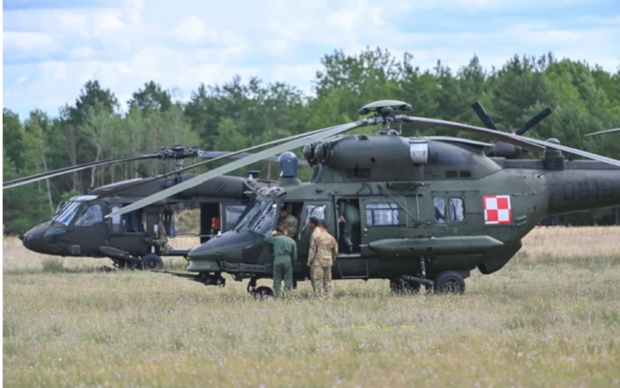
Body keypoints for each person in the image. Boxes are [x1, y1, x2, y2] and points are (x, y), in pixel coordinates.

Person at [307, 221, 339, 299]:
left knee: (318, 280)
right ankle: (329, 296)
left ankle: (320, 297)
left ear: (321, 227)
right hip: (328, 262)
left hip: (318, 262)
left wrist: (309, 261)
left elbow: (313, 250)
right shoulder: (331, 238)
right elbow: (335, 251)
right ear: (328, 228)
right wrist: (332, 259)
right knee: (327, 280)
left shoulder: (318, 237)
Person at [264, 226, 297, 298]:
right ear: (292, 235)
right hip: (287, 260)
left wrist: (272, 233)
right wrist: (293, 265)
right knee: (288, 279)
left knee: (277, 279)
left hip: (278, 260)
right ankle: (287, 295)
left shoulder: (277, 239)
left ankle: (277, 295)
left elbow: (266, 238)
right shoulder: (292, 242)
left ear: (286, 232)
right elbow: (294, 256)